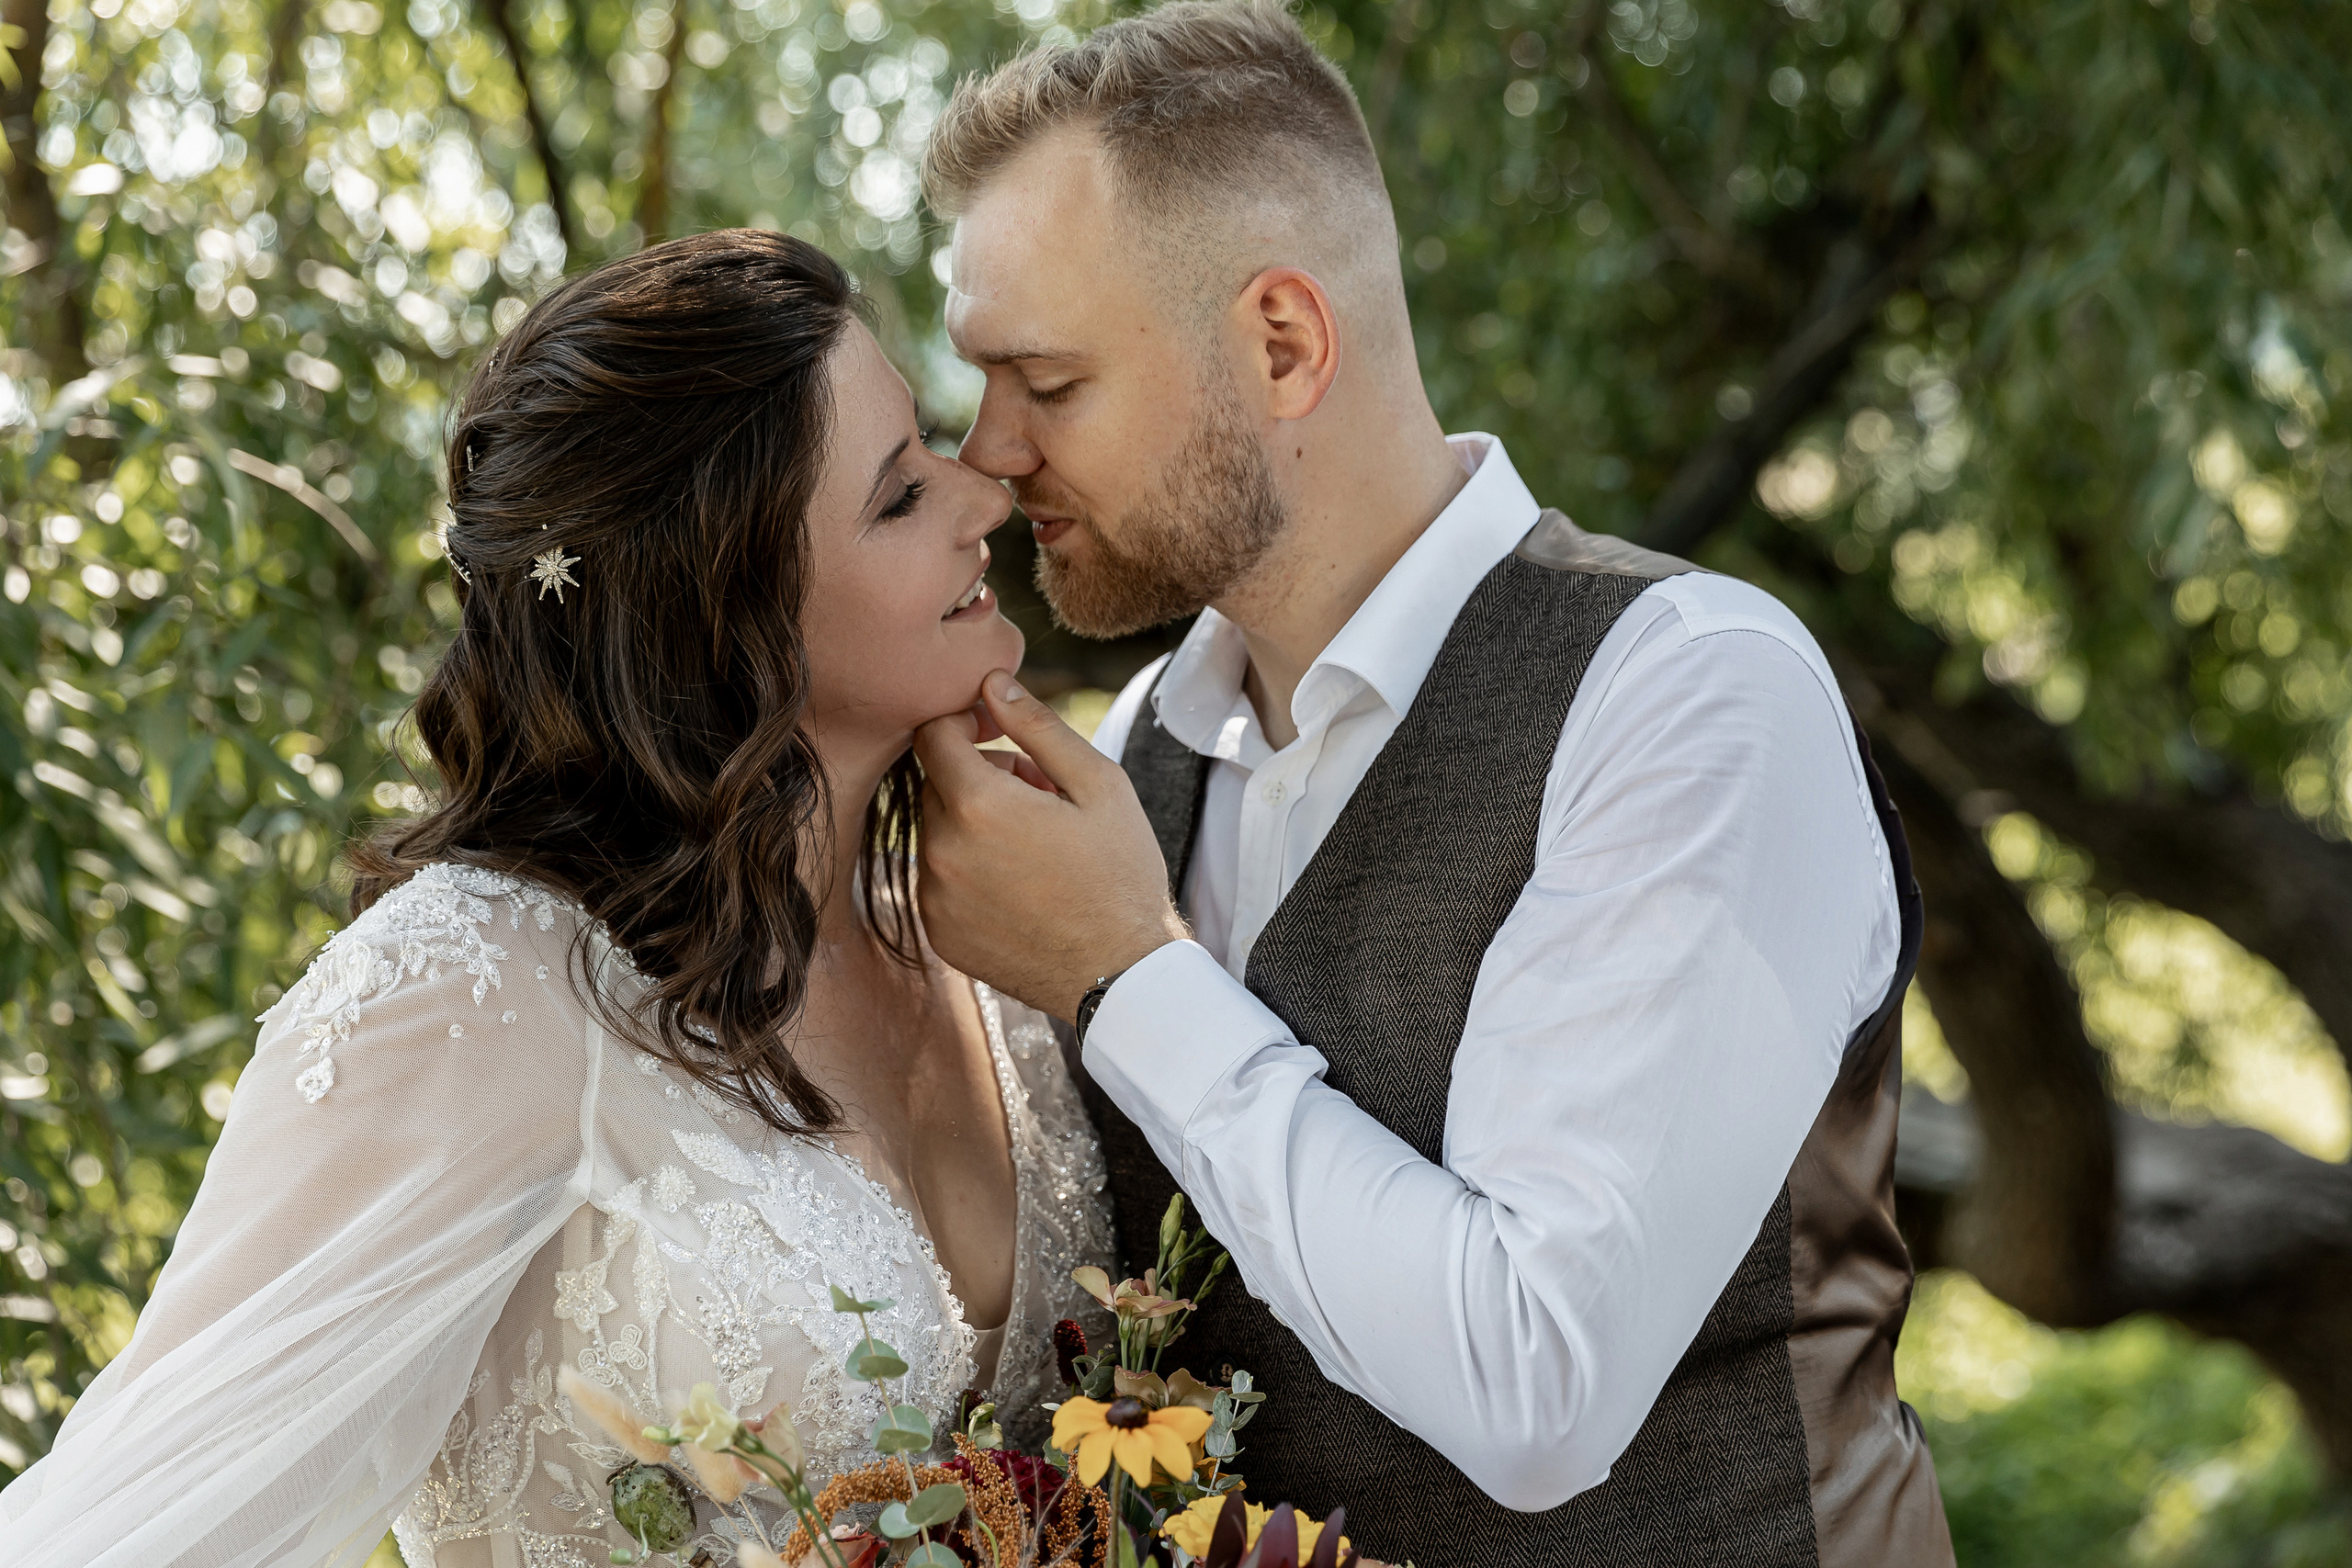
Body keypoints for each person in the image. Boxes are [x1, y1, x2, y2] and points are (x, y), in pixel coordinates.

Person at [909, 3, 1955, 1563]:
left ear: (1282, 343)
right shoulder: (1136, 753)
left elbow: (1539, 1385)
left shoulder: (1690, 695)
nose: (987, 455)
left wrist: (1128, 973)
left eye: (1046, 383)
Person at [0, 231, 1111, 1566]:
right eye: (898, 495)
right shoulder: (475, 991)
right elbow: (133, 1523)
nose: (983, 494)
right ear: (723, 617)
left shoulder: (985, 929)